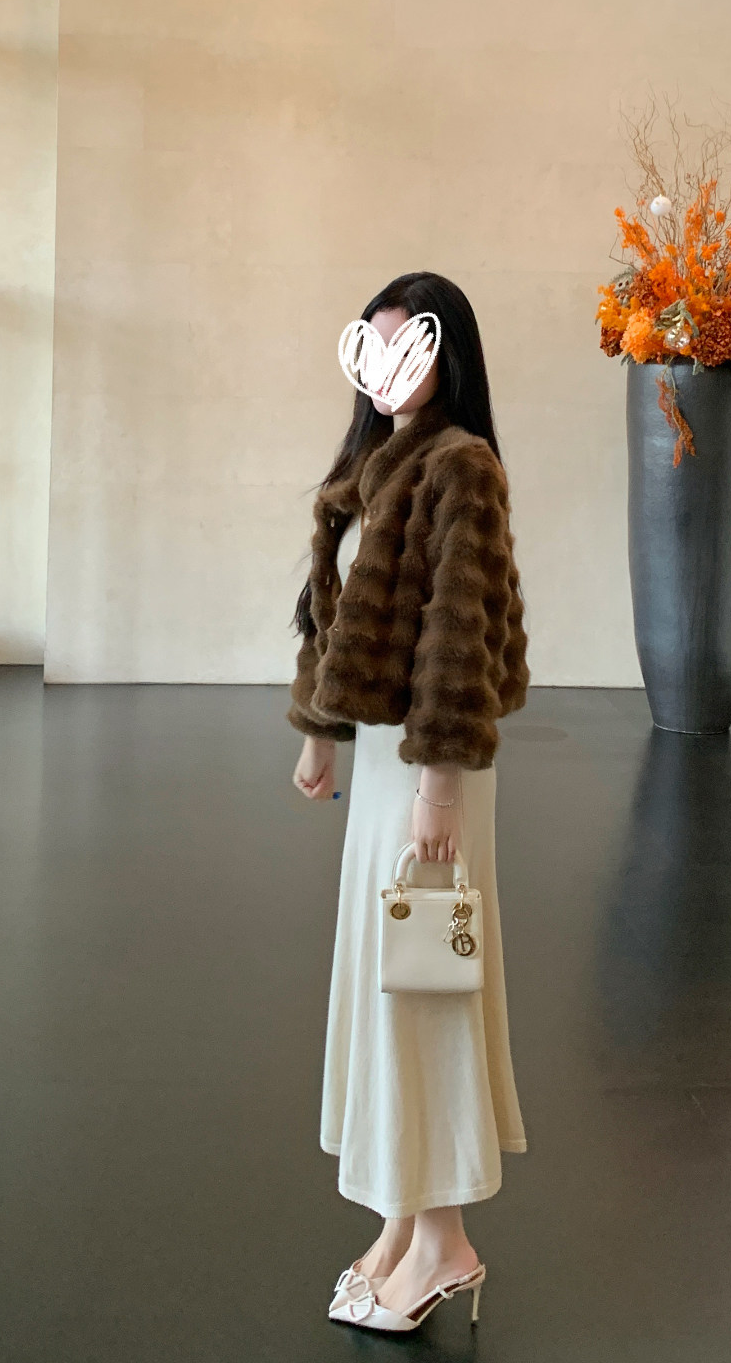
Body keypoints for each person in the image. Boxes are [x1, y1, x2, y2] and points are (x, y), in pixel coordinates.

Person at [290, 271, 528, 1334]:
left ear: (446, 355)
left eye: (409, 348)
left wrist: (437, 781)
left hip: (434, 761)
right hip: (391, 762)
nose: (387, 369)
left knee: (425, 977)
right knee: (393, 974)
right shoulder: (374, 463)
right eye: (374, 348)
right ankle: (405, 1216)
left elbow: (454, 631)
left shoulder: (460, 465)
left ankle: (446, 1239)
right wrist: (322, 730)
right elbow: (335, 613)